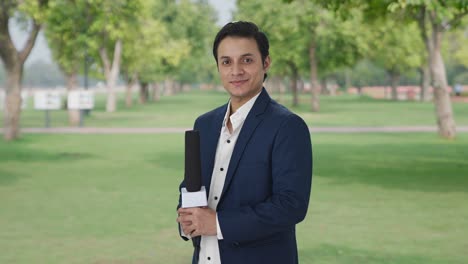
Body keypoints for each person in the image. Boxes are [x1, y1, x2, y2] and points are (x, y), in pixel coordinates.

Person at [177, 21, 313, 264]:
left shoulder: (288, 126)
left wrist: (216, 223)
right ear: (218, 66)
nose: (236, 70)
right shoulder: (204, 124)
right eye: (226, 61)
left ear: (266, 62)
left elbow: (290, 205)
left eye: (247, 60)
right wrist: (187, 218)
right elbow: (191, 184)